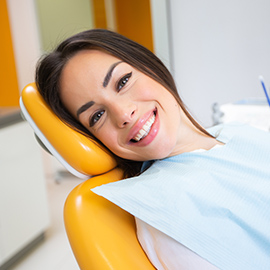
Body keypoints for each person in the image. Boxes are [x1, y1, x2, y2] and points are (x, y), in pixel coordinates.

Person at [36, 29, 270, 270]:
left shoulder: (237, 132)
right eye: (97, 116)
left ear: (149, 65)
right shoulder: (167, 210)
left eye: (123, 82)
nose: (124, 114)